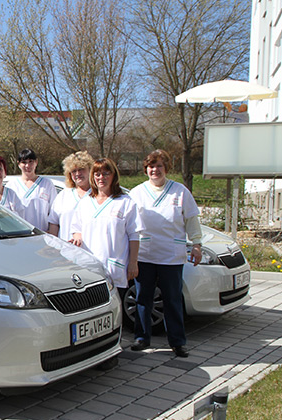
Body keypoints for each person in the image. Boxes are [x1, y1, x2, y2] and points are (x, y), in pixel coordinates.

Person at [128, 150, 202, 358]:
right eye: (151, 166)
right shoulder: (137, 192)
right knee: (143, 298)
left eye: (159, 166)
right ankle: (142, 338)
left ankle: (177, 342)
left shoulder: (180, 192)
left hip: (171, 254)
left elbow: (192, 220)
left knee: (172, 299)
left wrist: (196, 244)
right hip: (145, 254)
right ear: (146, 170)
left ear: (166, 168)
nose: (155, 170)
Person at [71, 158, 143, 299]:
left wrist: (133, 263)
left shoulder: (125, 202)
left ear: (114, 176)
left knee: (115, 311)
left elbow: (134, 235)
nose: (101, 178)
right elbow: (76, 228)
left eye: (106, 173)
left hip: (114, 266)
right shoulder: (86, 202)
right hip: (89, 268)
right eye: (97, 174)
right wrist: (77, 235)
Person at [48, 151, 95, 242]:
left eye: (81, 169)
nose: (78, 174)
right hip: (65, 250)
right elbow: (54, 223)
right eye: (74, 171)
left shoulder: (98, 195)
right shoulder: (63, 195)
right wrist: (54, 245)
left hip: (90, 252)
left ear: (90, 170)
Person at [6, 148, 57, 231]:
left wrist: (51, 233)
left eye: (31, 162)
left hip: (42, 235)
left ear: (36, 162)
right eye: (24, 162)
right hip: (19, 235)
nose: (27, 166)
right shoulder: (11, 186)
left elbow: (54, 213)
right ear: (18, 164)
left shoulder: (47, 184)